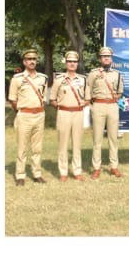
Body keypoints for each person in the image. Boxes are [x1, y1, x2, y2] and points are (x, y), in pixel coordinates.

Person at [8, 50, 47, 185]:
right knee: (22, 147)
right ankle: (20, 175)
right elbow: (12, 99)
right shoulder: (17, 79)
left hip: (40, 115)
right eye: (29, 59)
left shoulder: (43, 78)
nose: (32, 61)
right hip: (24, 115)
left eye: (34, 59)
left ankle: (37, 174)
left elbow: (44, 97)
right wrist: (21, 111)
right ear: (24, 62)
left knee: (37, 147)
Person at [86, 47, 124, 178]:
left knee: (113, 138)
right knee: (97, 139)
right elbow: (88, 89)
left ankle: (114, 167)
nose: (106, 58)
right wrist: (93, 104)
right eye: (103, 56)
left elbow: (120, 91)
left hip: (112, 106)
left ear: (111, 58)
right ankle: (96, 168)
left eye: (108, 56)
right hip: (98, 106)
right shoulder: (93, 73)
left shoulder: (117, 74)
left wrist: (113, 100)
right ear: (100, 59)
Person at [50, 51, 86, 182]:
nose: (72, 64)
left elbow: (88, 97)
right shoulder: (59, 79)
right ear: (66, 63)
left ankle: (77, 171)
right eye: (69, 61)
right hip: (63, 113)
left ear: (77, 63)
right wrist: (63, 106)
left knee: (77, 144)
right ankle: (63, 172)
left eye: (74, 62)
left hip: (78, 113)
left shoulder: (83, 79)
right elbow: (52, 99)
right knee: (63, 144)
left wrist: (82, 104)